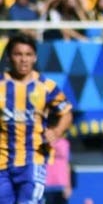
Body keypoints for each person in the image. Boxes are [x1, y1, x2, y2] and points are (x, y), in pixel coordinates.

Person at [0, 33, 74, 203]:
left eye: (28, 54)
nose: (23, 60)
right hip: (2, 162)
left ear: (35, 57)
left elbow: (66, 113)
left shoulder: (47, 87)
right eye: (18, 54)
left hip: (33, 160)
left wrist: (57, 131)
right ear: (9, 57)